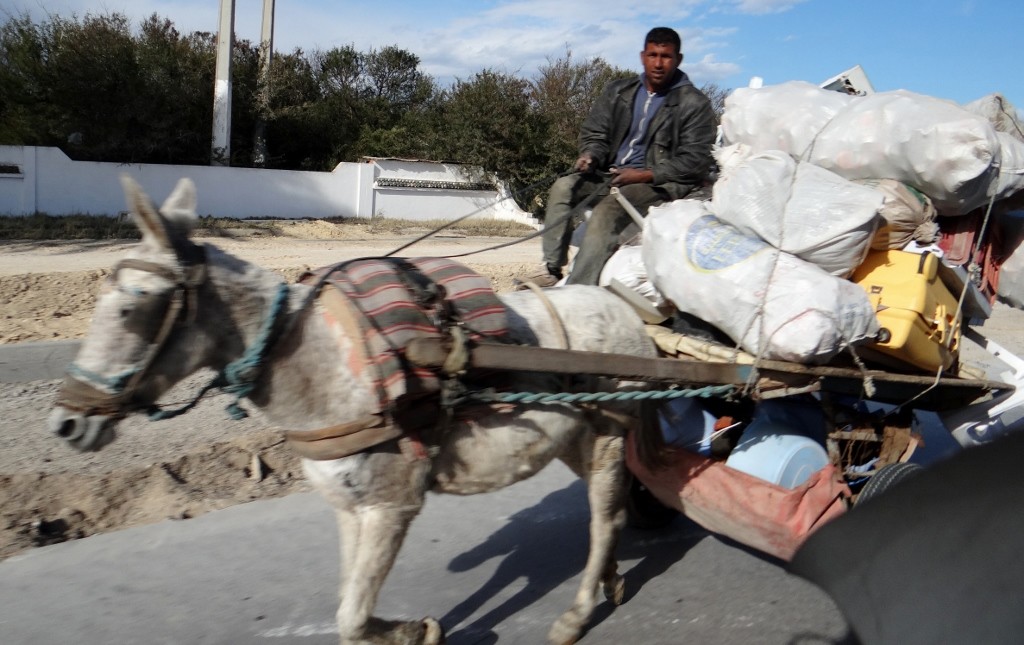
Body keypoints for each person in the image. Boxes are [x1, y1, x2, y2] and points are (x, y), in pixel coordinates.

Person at [517, 26, 717, 288]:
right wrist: (591, 154)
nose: (658, 63)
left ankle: (577, 290)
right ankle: (551, 269)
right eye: (653, 55)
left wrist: (645, 174)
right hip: (610, 174)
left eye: (666, 57)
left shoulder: (694, 103)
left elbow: (696, 160)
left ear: (678, 60)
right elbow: (595, 133)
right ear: (642, 56)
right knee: (563, 186)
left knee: (606, 212)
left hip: (656, 183)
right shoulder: (618, 91)